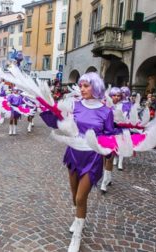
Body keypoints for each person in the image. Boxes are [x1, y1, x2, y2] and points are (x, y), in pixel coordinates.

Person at [40, 72, 114, 252]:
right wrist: (45, 107)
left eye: (86, 86)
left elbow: (109, 135)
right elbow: (58, 122)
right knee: (74, 196)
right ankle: (77, 218)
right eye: (80, 86)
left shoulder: (106, 111)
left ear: (95, 87)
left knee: (81, 197)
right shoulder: (74, 105)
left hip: (93, 157)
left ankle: (77, 236)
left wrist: (109, 151)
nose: (82, 89)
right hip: (73, 153)